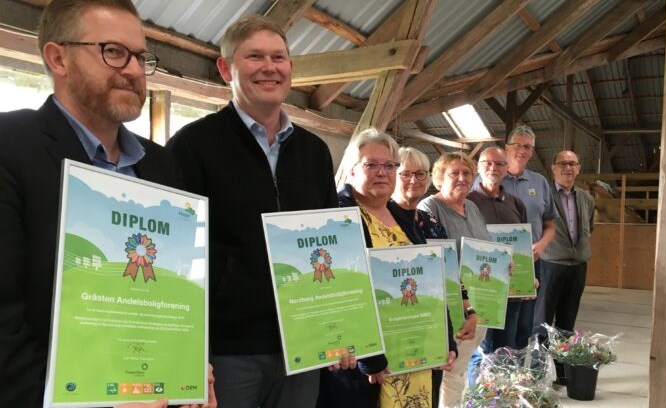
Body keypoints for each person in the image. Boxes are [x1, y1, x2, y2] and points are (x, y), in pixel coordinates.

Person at [0, 1, 213, 407]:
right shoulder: (10, 146)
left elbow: (182, 286)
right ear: (58, 57)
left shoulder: (162, 164)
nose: (133, 70)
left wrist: (192, 365)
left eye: (140, 56)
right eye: (113, 51)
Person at [165, 13, 351, 408]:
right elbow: (176, 257)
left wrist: (339, 329)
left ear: (290, 68)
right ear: (225, 68)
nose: (269, 67)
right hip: (229, 351)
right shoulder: (192, 146)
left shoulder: (314, 152)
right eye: (254, 57)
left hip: (302, 346)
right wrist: (187, 350)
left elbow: (331, 244)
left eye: (278, 58)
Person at [319, 129, 456, 408]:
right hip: (367, 367)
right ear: (353, 169)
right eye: (371, 164)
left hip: (413, 354)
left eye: (390, 165)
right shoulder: (336, 214)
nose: (382, 172)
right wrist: (372, 360)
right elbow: (342, 294)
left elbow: (430, 281)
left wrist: (446, 338)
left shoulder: (401, 215)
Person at [391, 146, 470, 405]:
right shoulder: (383, 218)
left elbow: (448, 271)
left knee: (430, 393)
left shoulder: (430, 221)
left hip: (432, 324)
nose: (413, 180)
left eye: (420, 173)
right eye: (405, 174)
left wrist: (466, 309)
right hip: (399, 327)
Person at [416, 152, 489, 407]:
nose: (461, 178)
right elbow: (436, 262)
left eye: (466, 173)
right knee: (451, 370)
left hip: (480, 304)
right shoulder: (430, 208)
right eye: (453, 173)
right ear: (438, 179)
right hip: (454, 306)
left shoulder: (473, 207)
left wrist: (504, 266)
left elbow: (485, 250)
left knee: (462, 367)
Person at [465, 147, 531, 385]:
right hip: (481, 294)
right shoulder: (467, 201)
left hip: (511, 294)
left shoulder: (517, 203)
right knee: (481, 353)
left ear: (507, 168)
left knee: (505, 350)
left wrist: (527, 278)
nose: (493, 168)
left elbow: (524, 246)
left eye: (499, 164)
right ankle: (477, 398)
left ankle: (500, 397)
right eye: (487, 163)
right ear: (479, 167)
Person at [501, 125, 557, 349]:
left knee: (524, 324)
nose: (522, 151)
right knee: (496, 324)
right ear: (507, 148)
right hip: (496, 263)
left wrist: (541, 245)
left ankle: (515, 377)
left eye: (527, 147)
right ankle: (491, 378)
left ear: (532, 151)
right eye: (517, 145)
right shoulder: (490, 179)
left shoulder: (540, 182)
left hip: (530, 263)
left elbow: (551, 225)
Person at [533, 150, 594, 340]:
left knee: (567, 324)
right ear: (553, 168)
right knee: (542, 322)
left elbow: (589, 228)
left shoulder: (587, 199)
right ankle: (539, 367)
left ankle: (560, 367)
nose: (568, 168)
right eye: (562, 164)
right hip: (549, 266)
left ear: (578, 169)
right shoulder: (543, 196)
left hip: (577, 268)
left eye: (572, 164)